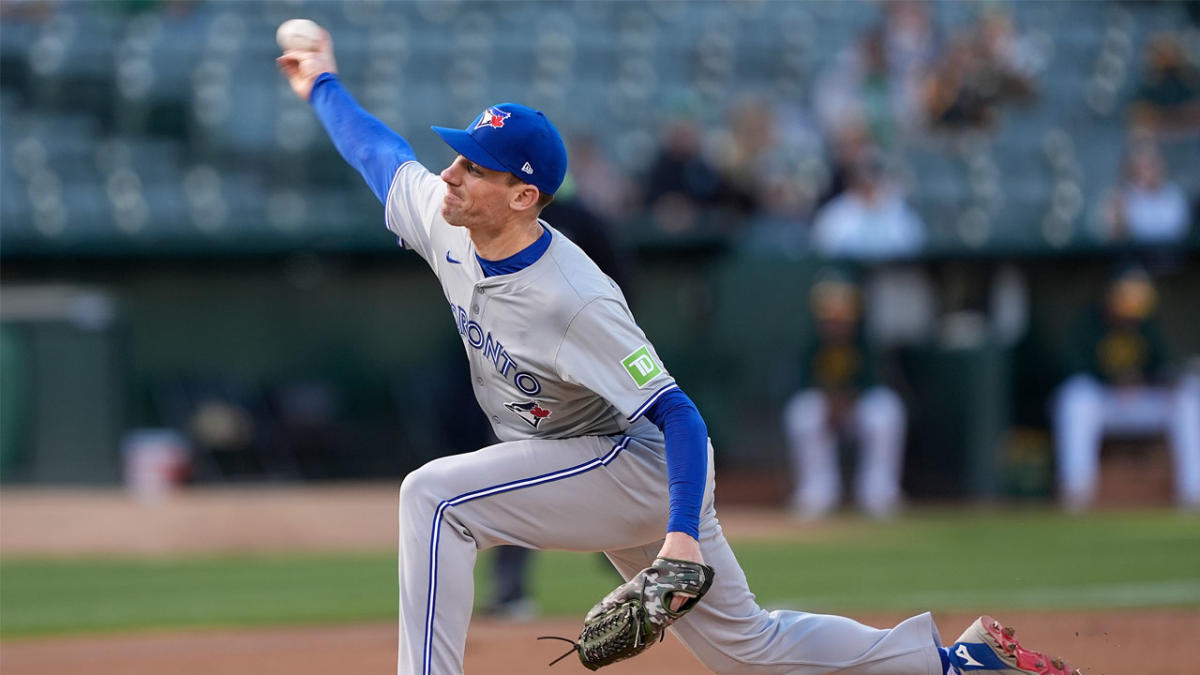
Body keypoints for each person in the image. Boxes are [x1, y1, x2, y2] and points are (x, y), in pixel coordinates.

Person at [276, 24, 1081, 675]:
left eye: (472, 166)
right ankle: (951, 665)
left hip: (639, 463)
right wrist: (322, 80)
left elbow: (678, 411)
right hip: (582, 462)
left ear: (524, 195)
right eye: (454, 157)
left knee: (434, 498)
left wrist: (682, 533)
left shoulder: (575, 297)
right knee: (751, 648)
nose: (448, 175)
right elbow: (376, 152)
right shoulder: (445, 217)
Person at [1052, 264, 1200, 512]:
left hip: (1142, 402)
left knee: (1187, 396)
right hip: (1104, 402)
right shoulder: (1090, 323)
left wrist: (1151, 381)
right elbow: (1072, 368)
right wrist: (1113, 380)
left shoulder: (1147, 324)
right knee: (1075, 398)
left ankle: (1192, 492)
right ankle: (1077, 491)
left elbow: (1163, 366)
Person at [782, 270, 906, 519]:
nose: (837, 323)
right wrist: (830, 403)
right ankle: (817, 493)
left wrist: (846, 403)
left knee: (887, 410)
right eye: (831, 317)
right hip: (824, 408)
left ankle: (879, 494)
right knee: (802, 412)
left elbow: (872, 382)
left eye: (843, 316)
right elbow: (805, 383)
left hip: (858, 409)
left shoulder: (864, 340)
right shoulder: (811, 342)